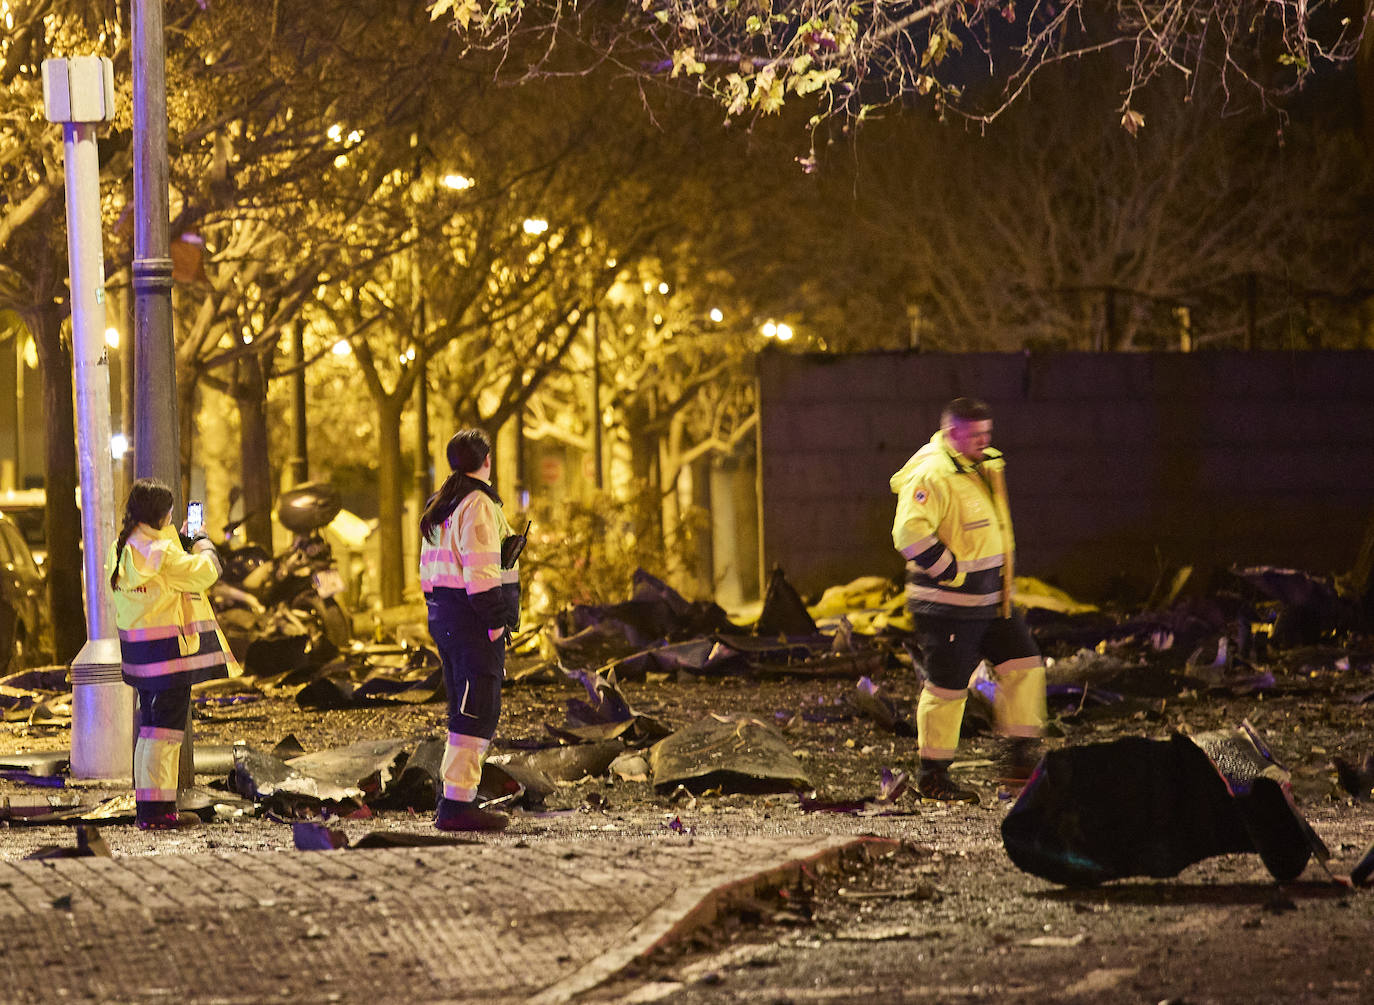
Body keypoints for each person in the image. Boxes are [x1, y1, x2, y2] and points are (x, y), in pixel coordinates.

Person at [890, 397, 1047, 804]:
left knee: (1025, 666)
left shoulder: (981, 466)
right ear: (951, 433)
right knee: (946, 690)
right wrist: (951, 573)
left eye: (987, 433)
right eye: (975, 435)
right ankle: (933, 777)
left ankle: (1019, 763)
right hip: (948, 609)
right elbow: (909, 534)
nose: (984, 441)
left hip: (992, 604)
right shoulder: (933, 474)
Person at [107, 478, 236, 830]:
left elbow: (160, 558)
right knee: (165, 736)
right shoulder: (164, 556)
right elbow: (205, 572)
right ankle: (160, 814)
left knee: (150, 732)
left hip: (141, 657)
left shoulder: (125, 547)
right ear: (160, 515)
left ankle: (149, 809)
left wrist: (177, 538)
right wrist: (202, 542)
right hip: (170, 655)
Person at [419, 428, 521, 832]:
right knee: (477, 709)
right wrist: (497, 624)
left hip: (445, 615)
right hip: (471, 620)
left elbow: (429, 570)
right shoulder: (477, 505)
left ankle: (456, 799)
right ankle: (457, 806)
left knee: (464, 707)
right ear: (488, 461)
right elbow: (481, 577)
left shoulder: (441, 504)